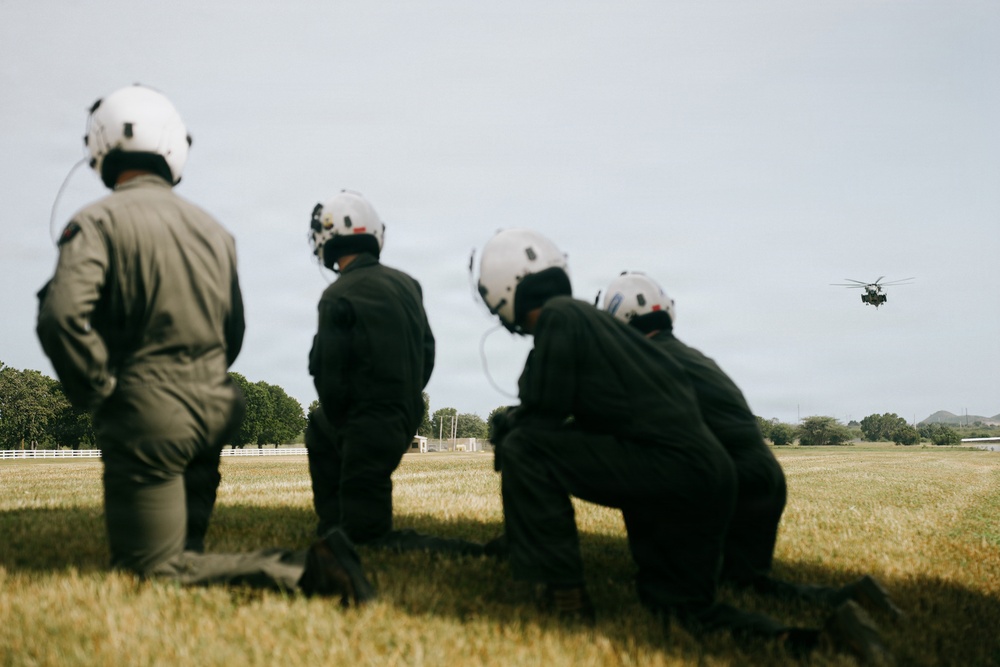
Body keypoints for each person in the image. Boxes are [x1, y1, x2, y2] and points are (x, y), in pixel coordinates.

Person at [476, 229, 892, 663]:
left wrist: (508, 427)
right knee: (681, 606)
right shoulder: (647, 347)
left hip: (671, 471)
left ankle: (565, 599)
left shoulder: (563, 316)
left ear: (504, 289)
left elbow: (543, 412)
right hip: (709, 476)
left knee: (524, 444)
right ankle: (820, 641)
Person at [36, 84, 372, 605]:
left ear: (101, 147)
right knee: (183, 544)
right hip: (214, 404)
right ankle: (196, 551)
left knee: (149, 569)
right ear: (173, 148)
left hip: (148, 409)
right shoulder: (215, 231)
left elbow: (61, 317)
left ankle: (309, 571)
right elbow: (231, 332)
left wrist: (99, 389)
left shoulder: (98, 221)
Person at [601, 271, 904, 617]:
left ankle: (811, 640)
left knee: (674, 600)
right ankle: (848, 598)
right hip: (765, 479)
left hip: (725, 483)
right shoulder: (699, 359)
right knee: (744, 581)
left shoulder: (641, 361)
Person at [306, 190, 482, 556]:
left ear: (327, 238)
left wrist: (346, 419)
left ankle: (472, 552)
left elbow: (328, 373)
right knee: (322, 432)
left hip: (364, 421)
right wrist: (405, 398)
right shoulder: (407, 284)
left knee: (366, 536)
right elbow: (427, 352)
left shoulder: (338, 294)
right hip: (403, 413)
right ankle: (335, 524)